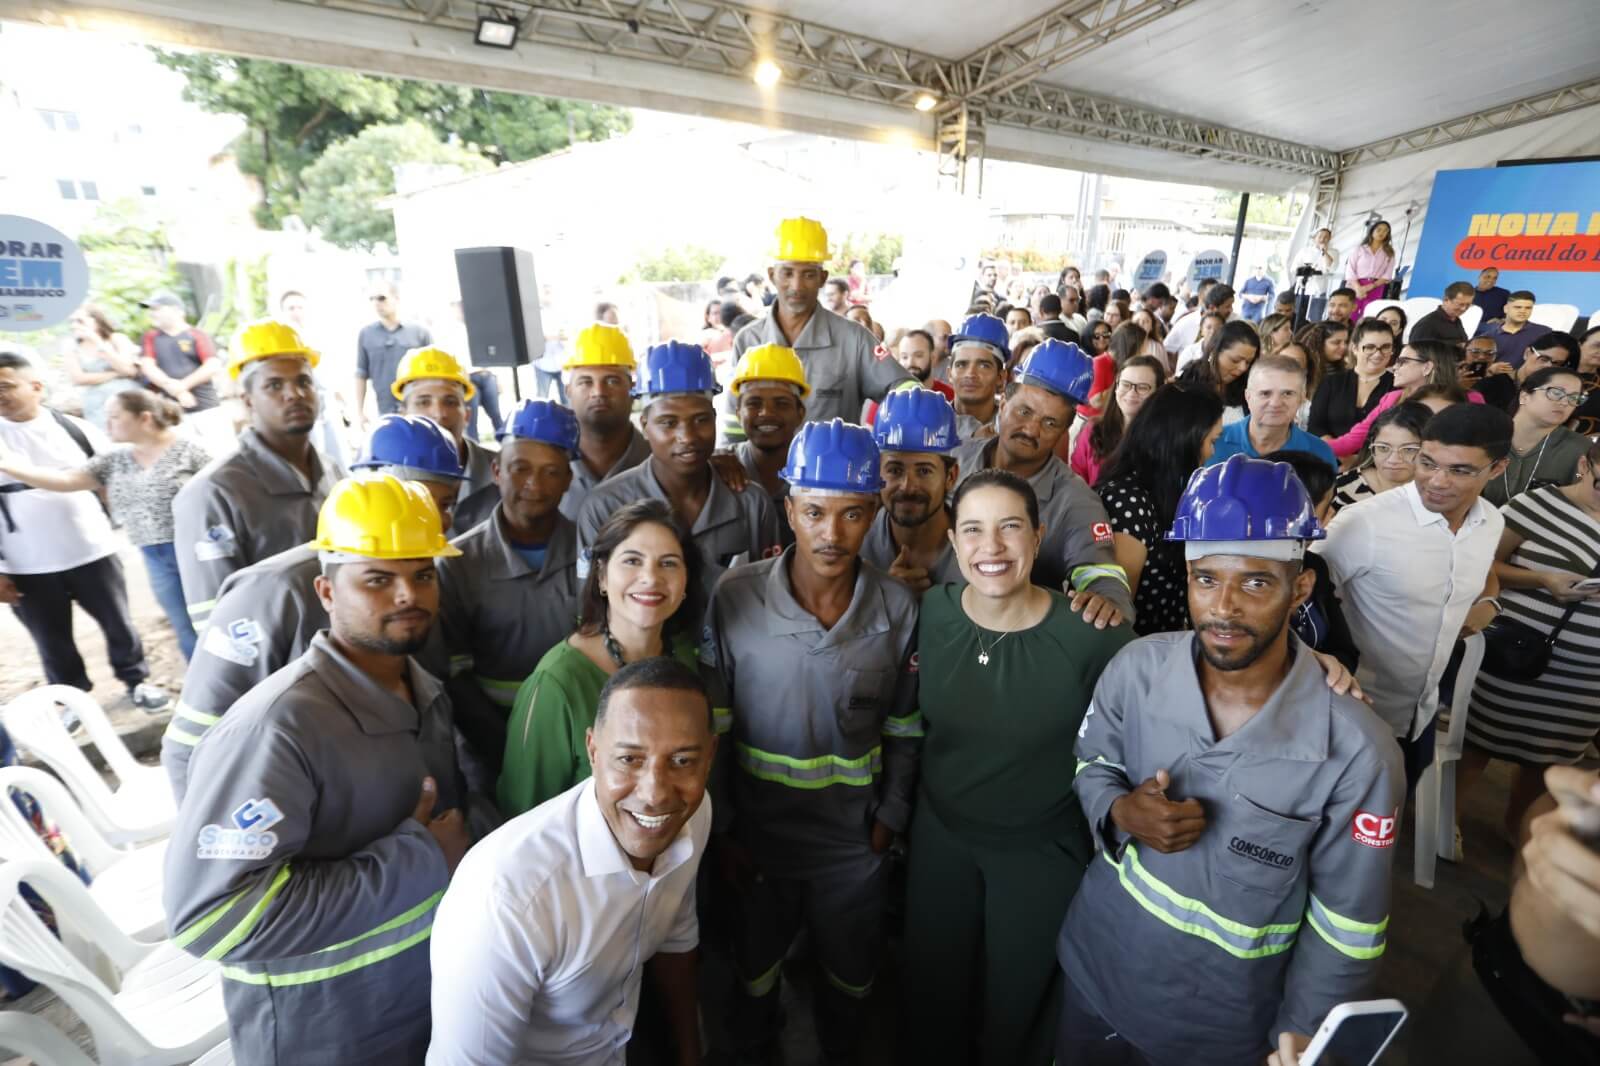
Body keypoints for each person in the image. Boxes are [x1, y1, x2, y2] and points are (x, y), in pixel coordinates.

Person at [1061, 454, 1402, 1066]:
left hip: (1221, 1028)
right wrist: (1118, 809)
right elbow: (1092, 761)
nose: (1224, 608)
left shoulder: (1357, 754)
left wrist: (1302, 1040)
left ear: (1300, 588)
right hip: (1099, 973)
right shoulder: (1135, 670)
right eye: (1206, 579)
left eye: (1255, 582)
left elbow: (1346, 931)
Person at [164, 474, 468, 1066]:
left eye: (422, 574)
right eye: (378, 579)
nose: (407, 594)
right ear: (327, 592)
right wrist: (422, 858)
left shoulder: (420, 690)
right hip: (325, 1030)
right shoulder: (278, 728)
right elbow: (214, 919)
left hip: (418, 1002)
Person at [705, 418, 919, 1065]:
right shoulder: (734, 596)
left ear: (873, 512)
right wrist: (725, 830)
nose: (832, 533)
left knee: (851, 977)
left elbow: (906, 725)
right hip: (758, 840)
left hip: (853, 843)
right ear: (789, 510)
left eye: (852, 514)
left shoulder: (896, 608)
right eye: (815, 512)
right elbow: (715, 724)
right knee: (755, 970)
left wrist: (891, 816)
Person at [904, 470, 1132, 1065]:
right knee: (932, 988)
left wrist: (1309, 661)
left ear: (1038, 535)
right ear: (954, 543)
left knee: (1021, 1004)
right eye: (974, 531)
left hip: (1040, 848)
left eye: (1010, 528)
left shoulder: (1092, 634)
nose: (992, 548)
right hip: (941, 837)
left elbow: (1173, 695)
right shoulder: (929, 612)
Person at [160, 415, 463, 801]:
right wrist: (207, 831)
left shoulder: (427, 579)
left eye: (445, 503)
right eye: (413, 497)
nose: (429, 517)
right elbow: (193, 740)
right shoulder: (270, 591)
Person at [428, 658, 714, 1066]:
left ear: (710, 757)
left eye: (682, 761)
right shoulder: (505, 898)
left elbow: (677, 936)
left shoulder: (694, 812)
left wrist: (691, 1054)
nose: (655, 794)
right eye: (630, 759)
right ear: (593, 751)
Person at [1316, 403, 1512, 786]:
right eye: (1427, 462)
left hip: (1422, 711)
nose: (1437, 481)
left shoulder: (1491, 521)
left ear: (1497, 468)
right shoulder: (1365, 523)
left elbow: (1475, 584)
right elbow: (1300, 600)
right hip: (1351, 713)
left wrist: (1485, 605)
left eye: (1460, 471)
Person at [498, 498, 706, 818]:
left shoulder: (686, 658)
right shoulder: (557, 682)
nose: (650, 577)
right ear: (602, 577)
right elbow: (524, 813)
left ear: (687, 581)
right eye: (632, 561)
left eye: (668, 563)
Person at [0, 352, 169, 711]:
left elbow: (116, 482)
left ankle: (137, 682)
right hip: (25, 563)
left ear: (36, 387)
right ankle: (73, 703)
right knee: (51, 640)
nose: (0, 395)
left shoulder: (77, 430)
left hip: (93, 550)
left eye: (6, 386)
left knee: (119, 623)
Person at [0, 388, 209, 661]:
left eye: (114, 416)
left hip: (200, 550)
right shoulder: (116, 458)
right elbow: (67, 481)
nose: (106, 423)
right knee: (185, 626)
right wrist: (11, 466)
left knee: (215, 619)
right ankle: (211, 690)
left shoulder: (191, 450)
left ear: (144, 418)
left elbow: (229, 492)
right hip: (154, 555)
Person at [1459, 442, 1600, 842]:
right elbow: (1483, 562)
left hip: (1586, 671)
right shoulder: (1538, 505)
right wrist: (1543, 579)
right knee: (1477, 740)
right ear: (1584, 463)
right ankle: (1442, 823)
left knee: (1550, 757)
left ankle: (1519, 830)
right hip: (1516, 651)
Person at [436, 399, 581, 779]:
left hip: (582, 739)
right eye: (521, 469)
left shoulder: (595, 554)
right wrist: (510, 749)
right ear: (497, 471)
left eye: (551, 472)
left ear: (569, 480)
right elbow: (456, 676)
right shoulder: (457, 563)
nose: (534, 484)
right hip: (492, 744)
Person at [577, 341, 778, 610]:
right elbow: (593, 610)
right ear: (645, 426)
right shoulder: (604, 507)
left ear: (715, 418)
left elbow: (769, 599)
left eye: (701, 420)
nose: (688, 437)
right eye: (668, 423)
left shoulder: (752, 503)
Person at [953, 340, 1135, 627]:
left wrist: (1106, 600)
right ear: (1003, 403)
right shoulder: (954, 461)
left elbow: (1101, 573)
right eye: (1023, 412)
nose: (1031, 429)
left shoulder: (1075, 501)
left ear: (1065, 430)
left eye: (1050, 423)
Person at [173, 320, 334, 633]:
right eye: (274, 385)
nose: (294, 394)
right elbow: (215, 622)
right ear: (248, 401)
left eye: (304, 381)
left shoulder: (332, 472)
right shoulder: (213, 493)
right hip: (280, 668)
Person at [732, 218, 911, 425]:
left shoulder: (854, 339)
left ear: (823, 278)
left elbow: (904, 389)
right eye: (787, 273)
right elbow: (732, 426)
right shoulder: (747, 340)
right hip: (762, 460)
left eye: (808, 274)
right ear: (772, 275)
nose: (797, 286)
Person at [1096, 384, 1225, 635]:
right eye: (1212, 441)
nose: (1213, 452)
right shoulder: (1129, 501)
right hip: (1137, 654)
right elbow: (1117, 608)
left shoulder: (1166, 491)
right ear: (1184, 441)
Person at [1264, 449, 1362, 672]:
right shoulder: (1241, 573)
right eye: (1327, 505)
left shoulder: (1313, 565)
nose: (1332, 514)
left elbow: (1345, 652)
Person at [861, 387, 964, 593]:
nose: (908, 486)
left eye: (924, 471)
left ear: (950, 477)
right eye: (894, 470)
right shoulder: (855, 542)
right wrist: (888, 600)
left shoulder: (979, 550)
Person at [392, 345, 500, 532]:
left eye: (450, 402)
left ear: (467, 415)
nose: (439, 413)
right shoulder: (385, 484)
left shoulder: (503, 472)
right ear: (403, 415)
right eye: (424, 402)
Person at [1328, 340, 1481, 459]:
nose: (1394, 367)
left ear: (1427, 367)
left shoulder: (1471, 400)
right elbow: (1352, 440)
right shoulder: (1393, 398)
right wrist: (1308, 446)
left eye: (1403, 362)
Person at [559, 322, 650, 521]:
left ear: (632, 390)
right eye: (585, 382)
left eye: (612, 381)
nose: (599, 392)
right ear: (568, 392)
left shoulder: (661, 463)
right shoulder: (549, 468)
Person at [729, 344, 809, 548]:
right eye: (754, 403)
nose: (766, 413)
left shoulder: (819, 469)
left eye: (781, 403)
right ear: (738, 413)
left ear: (800, 413)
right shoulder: (722, 469)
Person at [1482, 366, 1590, 507]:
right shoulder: (1482, 435)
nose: (1565, 402)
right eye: (1556, 393)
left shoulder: (1580, 449)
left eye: (1574, 397)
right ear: (1524, 396)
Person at [1207, 355, 1337, 470]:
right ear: (1248, 397)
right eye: (1265, 393)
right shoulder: (1210, 443)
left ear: (1302, 398)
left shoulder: (1320, 454)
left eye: (1287, 393)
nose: (1275, 403)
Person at [1071, 354, 1165, 487]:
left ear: (1158, 393)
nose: (1132, 393)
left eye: (1143, 387)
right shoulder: (1094, 430)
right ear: (1116, 387)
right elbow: (1076, 478)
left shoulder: (1165, 438)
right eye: (1125, 384)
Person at [354, 281, 433, 426]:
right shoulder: (366, 334)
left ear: (396, 299)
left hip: (419, 408)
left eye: (381, 298)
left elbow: (434, 373)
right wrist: (359, 412)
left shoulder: (420, 332)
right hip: (385, 410)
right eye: (372, 299)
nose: (376, 303)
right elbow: (361, 374)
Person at [1330, 400, 1430, 513]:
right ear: (1372, 446)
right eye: (1383, 448)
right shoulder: (1336, 490)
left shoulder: (1440, 494)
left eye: (1408, 450)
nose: (1394, 460)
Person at [1308, 318, 1394, 439]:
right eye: (1370, 347)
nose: (1378, 354)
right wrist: (1338, 452)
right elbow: (1316, 426)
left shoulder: (1397, 387)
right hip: (1327, 454)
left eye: (1385, 347)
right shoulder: (1331, 383)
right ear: (1355, 348)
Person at [138, 290, 221, 413]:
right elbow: (148, 367)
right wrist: (176, 390)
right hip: (171, 411)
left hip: (206, 405)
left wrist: (183, 386)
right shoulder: (150, 337)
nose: (152, 314)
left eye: (156, 309)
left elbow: (212, 365)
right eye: (151, 310)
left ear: (176, 310)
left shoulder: (197, 335)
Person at [63, 305, 141, 431]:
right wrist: (115, 374)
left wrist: (99, 343)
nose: (74, 325)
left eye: (80, 321)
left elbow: (129, 370)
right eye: (71, 322)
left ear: (96, 321)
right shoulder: (70, 346)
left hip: (127, 394)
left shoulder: (117, 339)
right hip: (97, 400)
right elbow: (78, 379)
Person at [1476, 330, 1581, 413]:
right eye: (1544, 359)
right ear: (1527, 353)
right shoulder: (1490, 385)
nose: (1548, 366)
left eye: (1557, 364)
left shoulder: (1553, 397)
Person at [1176, 319, 1258, 418]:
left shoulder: (1247, 385)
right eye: (1235, 360)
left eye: (1248, 362)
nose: (1243, 368)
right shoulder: (1187, 382)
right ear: (1214, 352)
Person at [948, 314, 1008, 439]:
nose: (970, 374)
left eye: (984, 366)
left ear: (1000, 378)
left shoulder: (1012, 430)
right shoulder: (930, 422)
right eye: (961, 365)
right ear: (949, 374)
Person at [1474, 289, 1552, 368]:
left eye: (1528, 308)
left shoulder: (1544, 333)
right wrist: (1491, 369)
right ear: (1506, 308)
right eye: (1518, 307)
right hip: (1496, 379)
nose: (1523, 311)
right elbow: (1477, 366)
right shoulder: (1487, 337)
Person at [1163, 281, 1233, 357]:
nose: (1231, 310)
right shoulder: (1186, 322)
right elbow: (1166, 350)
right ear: (1212, 308)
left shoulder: (1231, 322)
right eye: (1227, 306)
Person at [1345, 219, 1396, 319]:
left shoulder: (1389, 252)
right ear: (1372, 231)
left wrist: (1370, 286)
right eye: (1379, 229)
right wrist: (1358, 288)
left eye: (1386, 231)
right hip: (1356, 285)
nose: (1382, 233)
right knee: (1351, 314)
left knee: (1369, 315)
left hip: (1376, 287)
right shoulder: (1359, 249)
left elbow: (1387, 275)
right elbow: (1350, 270)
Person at [1411, 280, 1477, 347]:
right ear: (1446, 299)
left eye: (1468, 305)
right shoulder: (1426, 324)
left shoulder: (1457, 321)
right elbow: (1415, 353)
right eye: (1460, 304)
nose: (1464, 309)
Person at [1295, 227, 1339, 322]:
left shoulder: (1334, 252)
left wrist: (1325, 252)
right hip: (1303, 289)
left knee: (1315, 319)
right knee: (1298, 318)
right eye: (1320, 236)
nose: (1323, 239)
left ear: (1330, 238)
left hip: (1319, 291)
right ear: (1315, 238)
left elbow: (1331, 268)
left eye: (1326, 237)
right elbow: (1295, 267)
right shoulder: (1305, 251)